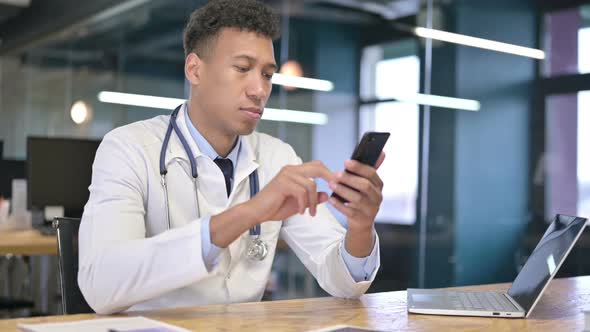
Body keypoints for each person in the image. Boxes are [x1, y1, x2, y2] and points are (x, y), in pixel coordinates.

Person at [78, 0, 385, 315]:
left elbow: (345, 284)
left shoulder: (278, 157)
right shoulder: (129, 148)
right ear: (195, 70)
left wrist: (360, 226)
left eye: (267, 74)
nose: (260, 90)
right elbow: (100, 286)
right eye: (242, 69)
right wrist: (249, 213)